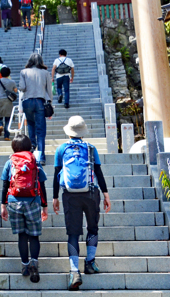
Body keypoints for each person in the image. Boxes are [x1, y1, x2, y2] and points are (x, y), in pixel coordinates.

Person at [52, 116, 112, 291]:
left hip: (70, 196)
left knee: (73, 233)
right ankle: (90, 263)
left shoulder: (61, 149)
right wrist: (106, 194)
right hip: (91, 193)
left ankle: (74, 272)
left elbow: (57, 175)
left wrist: (55, 198)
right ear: (83, 132)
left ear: (69, 132)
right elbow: (99, 173)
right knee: (92, 228)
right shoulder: (91, 149)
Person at [0, 134, 49, 284]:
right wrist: (44, 207)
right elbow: (42, 185)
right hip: (33, 201)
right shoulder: (34, 161)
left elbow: (4, 186)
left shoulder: (10, 162)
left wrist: (3, 206)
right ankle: (34, 263)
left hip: (14, 202)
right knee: (33, 235)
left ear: (14, 147)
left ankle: (25, 266)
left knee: (22, 235)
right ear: (29, 146)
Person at [18, 53, 52, 163]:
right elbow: (49, 90)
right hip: (40, 101)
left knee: (31, 126)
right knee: (41, 131)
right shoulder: (45, 73)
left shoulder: (23, 72)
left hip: (27, 101)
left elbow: (22, 87)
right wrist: (50, 103)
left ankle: (31, 154)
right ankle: (41, 157)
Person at [0, 66, 17, 140]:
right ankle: (6, 136)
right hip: (8, 101)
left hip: (0, 100)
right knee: (8, 119)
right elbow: (15, 90)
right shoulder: (12, 82)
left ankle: (0, 125)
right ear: (9, 74)